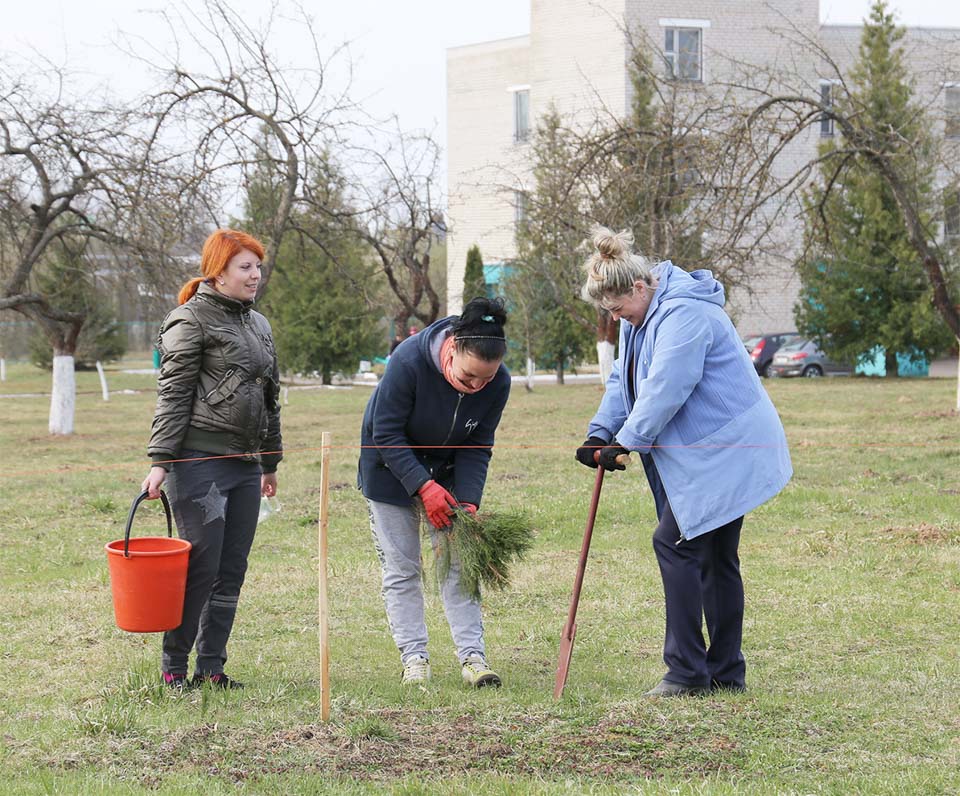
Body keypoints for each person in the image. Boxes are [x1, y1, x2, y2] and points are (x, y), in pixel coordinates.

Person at [574, 227, 792, 697]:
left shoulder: (684, 314)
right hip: (700, 453)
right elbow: (625, 380)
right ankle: (724, 674)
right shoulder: (641, 320)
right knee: (712, 556)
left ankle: (687, 673)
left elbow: (667, 386)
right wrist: (600, 431)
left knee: (676, 545)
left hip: (728, 449)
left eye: (617, 308)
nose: (616, 319)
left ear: (638, 287)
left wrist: (627, 441)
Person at [142, 228, 283, 690]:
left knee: (231, 570)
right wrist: (161, 460)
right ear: (218, 272)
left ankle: (211, 668)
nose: (255, 275)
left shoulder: (258, 324)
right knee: (201, 569)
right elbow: (174, 394)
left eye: (257, 267)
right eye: (245, 267)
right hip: (197, 462)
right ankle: (174, 668)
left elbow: (270, 397)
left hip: (245, 464)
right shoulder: (189, 320)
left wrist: (270, 461)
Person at [358, 297, 511, 688]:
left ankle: (473, 658)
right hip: (389, 469)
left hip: (447, 475)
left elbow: (478, 444)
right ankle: (414, 658)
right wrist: (422, 486)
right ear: (453, 347)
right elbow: (385, 432)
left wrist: (468, 499)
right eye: (468, 378)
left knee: (460, 563)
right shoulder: (408, 362)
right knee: (403, 568)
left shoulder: (500, 383)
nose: (477, 387)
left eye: (486, 380)